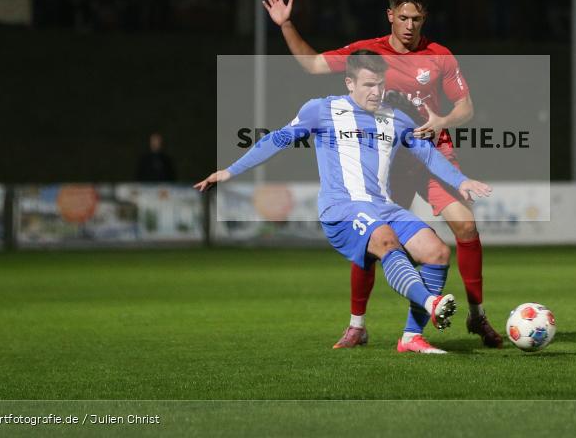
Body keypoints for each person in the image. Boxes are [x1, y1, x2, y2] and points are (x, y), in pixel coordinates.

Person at [195, 51, 493, 354]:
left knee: (437, 251)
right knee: (386, 241)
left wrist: (461, 181)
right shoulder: (322, 110)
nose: (376, 92)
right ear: (349, 83)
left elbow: (428, 155)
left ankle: (411, 338)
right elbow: (278, 139)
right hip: (342, 209)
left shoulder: (396, 117)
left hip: (384, 206)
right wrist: (231, 170)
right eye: (367, 85)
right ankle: (431, 303)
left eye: (379, 84)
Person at [262, 0, 505, 349]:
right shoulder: (367, 54)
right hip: (386, 163)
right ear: (390, 16)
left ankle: (477, 316)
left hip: (432, 155)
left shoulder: (439, 55)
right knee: (373, 240)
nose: (410, 26)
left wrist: (440, 122)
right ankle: (357, 325)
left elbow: (465, 108)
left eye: (417, 19)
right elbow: (312, 65)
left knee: (466, 226)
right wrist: (285, 25)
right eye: (403, 17)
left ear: (425, 20)